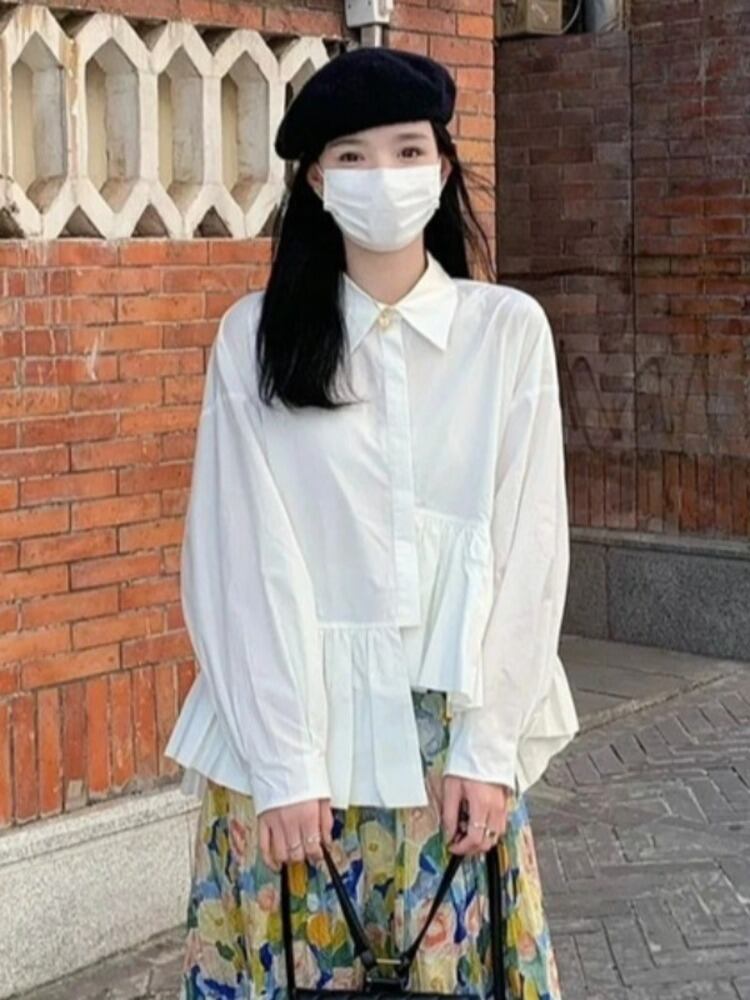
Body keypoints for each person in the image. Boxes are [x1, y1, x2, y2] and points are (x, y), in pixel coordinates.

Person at [165, 44, 580, 1000]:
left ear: (443, 166)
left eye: (407, 150)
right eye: (351, 156)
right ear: (315, 181)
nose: (383, 175)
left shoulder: (505, 333)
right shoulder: (255, 339)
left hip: (453, 760)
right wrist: (282, 765)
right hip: (292, 752)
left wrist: (489, 753)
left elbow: (530, 552)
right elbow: (237, 556)